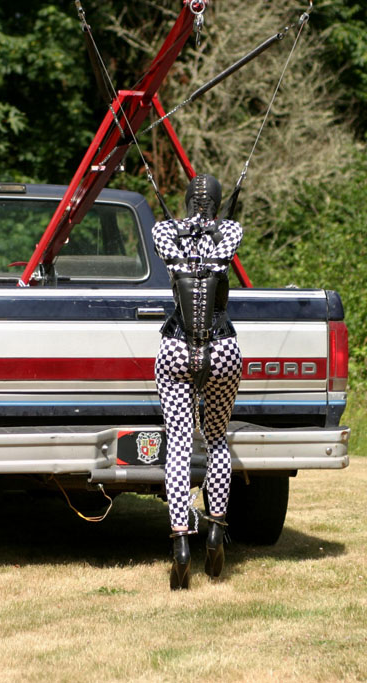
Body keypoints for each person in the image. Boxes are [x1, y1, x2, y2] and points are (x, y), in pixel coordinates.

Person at [152, 174, 243, 590]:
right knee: (217, 439)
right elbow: (222, 252)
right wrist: (216, 226)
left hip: (176, 346)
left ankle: (180, 544)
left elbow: (173, 252)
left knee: (179, 443)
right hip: (222, 346)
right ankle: (216, 532)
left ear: (188, 200)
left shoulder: (165, 231)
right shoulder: (230, 232)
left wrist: (186, 230)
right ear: (219, 203)